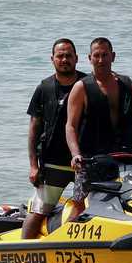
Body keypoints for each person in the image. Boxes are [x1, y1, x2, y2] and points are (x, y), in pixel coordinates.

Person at [64, 37, 132, 217]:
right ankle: (65, 239)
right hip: (90, 159)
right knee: (79, 204)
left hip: (124, 156)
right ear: (89, 58)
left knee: (129, 201)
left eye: (105, 55)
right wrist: (75, 154)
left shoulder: (126, 84)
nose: (101, 60)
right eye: (97, 55)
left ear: (113, 56)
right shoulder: (81, 87)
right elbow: (70, 126)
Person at [22, 38, 86, 239]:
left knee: (83, 210)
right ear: (52, 59)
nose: (64, 59)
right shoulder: (44, 87)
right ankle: (23, 251)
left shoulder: (88, 85)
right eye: (60, 55)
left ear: (76, 58)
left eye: (68, 55)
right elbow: (34, 128)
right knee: (38, 211)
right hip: (51, 163)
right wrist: (33, 166)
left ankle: (67, 245)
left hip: (83, 163)